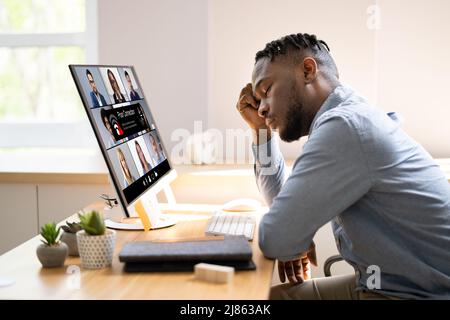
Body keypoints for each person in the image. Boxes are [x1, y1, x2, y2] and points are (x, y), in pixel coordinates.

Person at [236, 33, 450, 300]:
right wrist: (261, 133)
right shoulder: (346, 120)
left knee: (248, 302)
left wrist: (291, 235)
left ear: (307, 70)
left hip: (417, 295)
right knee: (261, 299)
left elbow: (278, 238)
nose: (262, 109)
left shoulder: (345, 127)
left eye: (266, 91)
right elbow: (283, 214)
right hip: (391, 285)